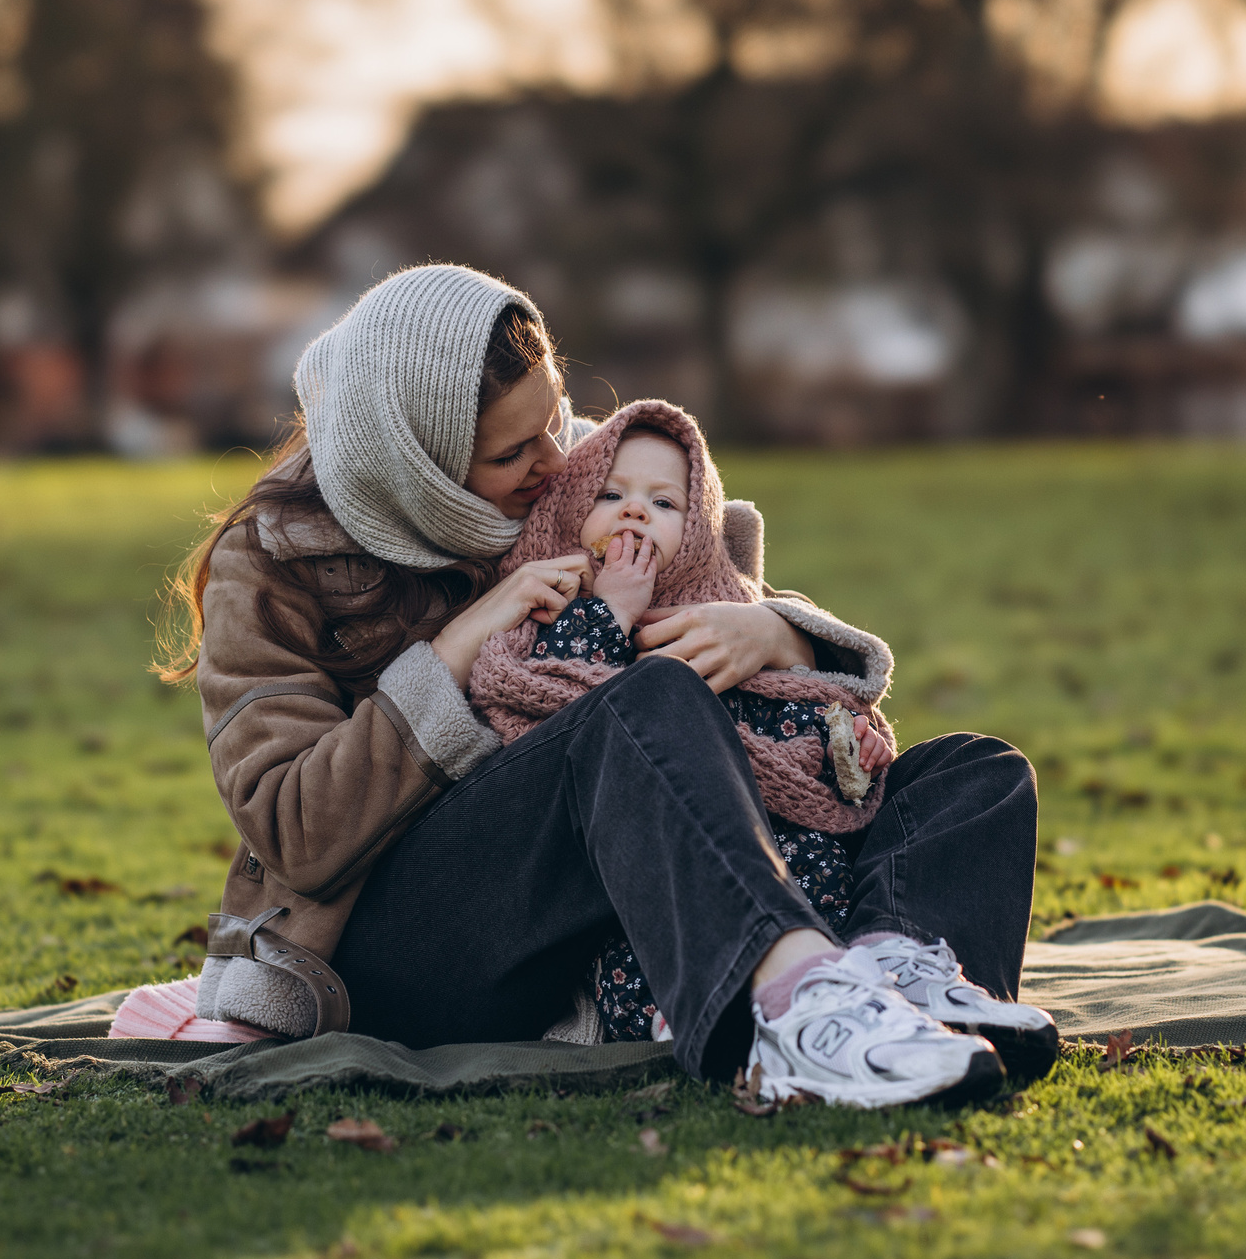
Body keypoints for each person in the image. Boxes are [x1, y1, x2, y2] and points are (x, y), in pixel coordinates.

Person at [155, 263, 1047, 1107]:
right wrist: (459, 647)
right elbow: (296, 829)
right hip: (410, 947)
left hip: (597, 910)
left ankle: (899, 982)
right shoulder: (271, 561)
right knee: (645, 701)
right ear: (424, 466)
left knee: (974, 774)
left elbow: (709, 590)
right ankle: (794, 1005)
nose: (555, 458)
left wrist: (777, 631)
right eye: (515, 451)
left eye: (556, 417)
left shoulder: (574, 475)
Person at [463, 400, 1058, 1092]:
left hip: (821, 883)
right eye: (610, 496)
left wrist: (844, 744)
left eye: (663, 503)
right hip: (685, 911)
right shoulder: (549, 611)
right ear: (569, 514)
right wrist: (611, 611)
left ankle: (902, 965)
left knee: (981, 769)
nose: (635, 513)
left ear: (698, 531)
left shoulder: (729, 606)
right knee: (658, 694)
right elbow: (546, 716)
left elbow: (798, 722)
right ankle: (779, 1009)